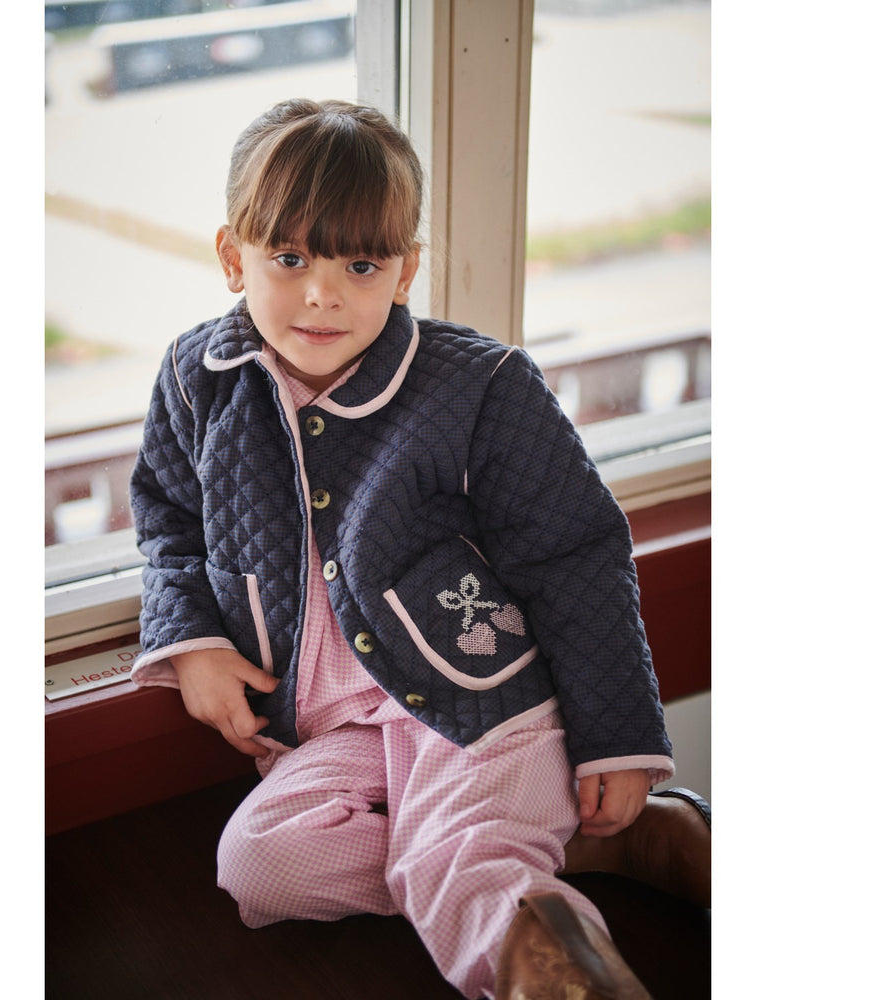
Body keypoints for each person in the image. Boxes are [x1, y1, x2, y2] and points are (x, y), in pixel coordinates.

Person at [129, 98, 710, 1000]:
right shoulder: (192, 377)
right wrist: (193, 641)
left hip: (478, 703)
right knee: (259, 865)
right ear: (233, 256)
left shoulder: (482, 385)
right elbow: (168, 519)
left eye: (361, 265)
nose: (323, 294)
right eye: (290, 259)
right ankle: (568, 848)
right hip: (338, 732)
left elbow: (577, 556)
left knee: (456, 858)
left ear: (404, 272)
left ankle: (542, 941)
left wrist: (619, 739)